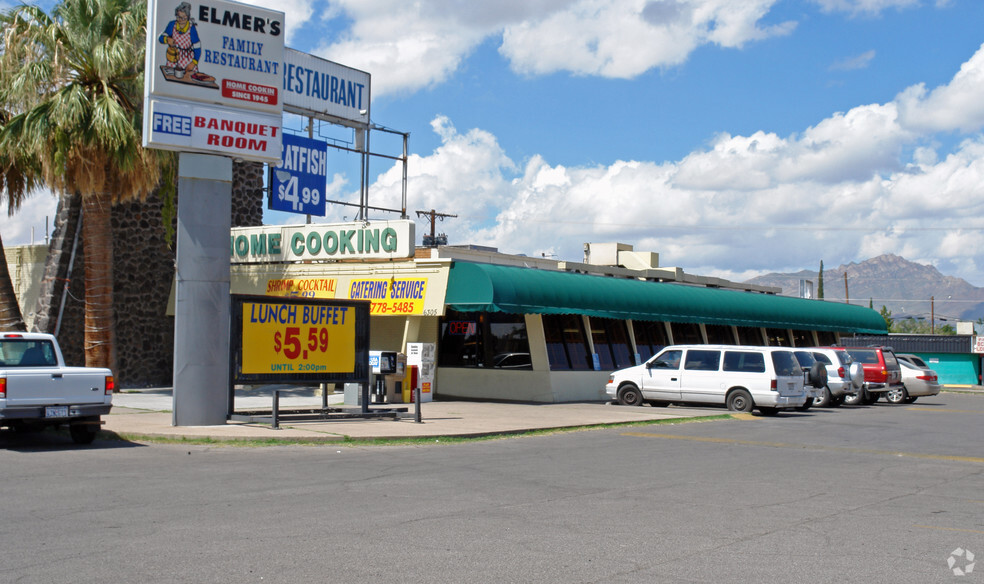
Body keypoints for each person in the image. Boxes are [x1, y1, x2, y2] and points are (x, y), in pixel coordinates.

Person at [159, 2, 200, 79]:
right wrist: (167, 39)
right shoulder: (172, 24)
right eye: (178, 17)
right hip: (173, 59)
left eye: (183, 18)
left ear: (187, 17)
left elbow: (198, 48)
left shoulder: (192, 29)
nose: (180, 20)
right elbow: (160, 38)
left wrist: (193, 63)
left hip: (188, 61)